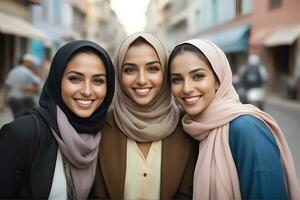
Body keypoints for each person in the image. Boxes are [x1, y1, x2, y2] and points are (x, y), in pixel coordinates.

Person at [168, 39, 300, 199]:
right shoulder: (194, 129)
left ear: (218, 80)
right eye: (177, 79)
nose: (187, 88)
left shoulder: (247, 128)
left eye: (197, 76)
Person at [0, 40, 115, 199]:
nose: (87, 91)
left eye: (98, 81)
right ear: (57, 80)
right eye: (75, 78)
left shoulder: (105, 135)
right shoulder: (22, 134)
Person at [92, 32, 197, 199]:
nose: (141, 80)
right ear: (118, 74)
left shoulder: (188, 127)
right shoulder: (99, 125)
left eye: (153, 69)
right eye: (130, 69)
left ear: (165, 73)